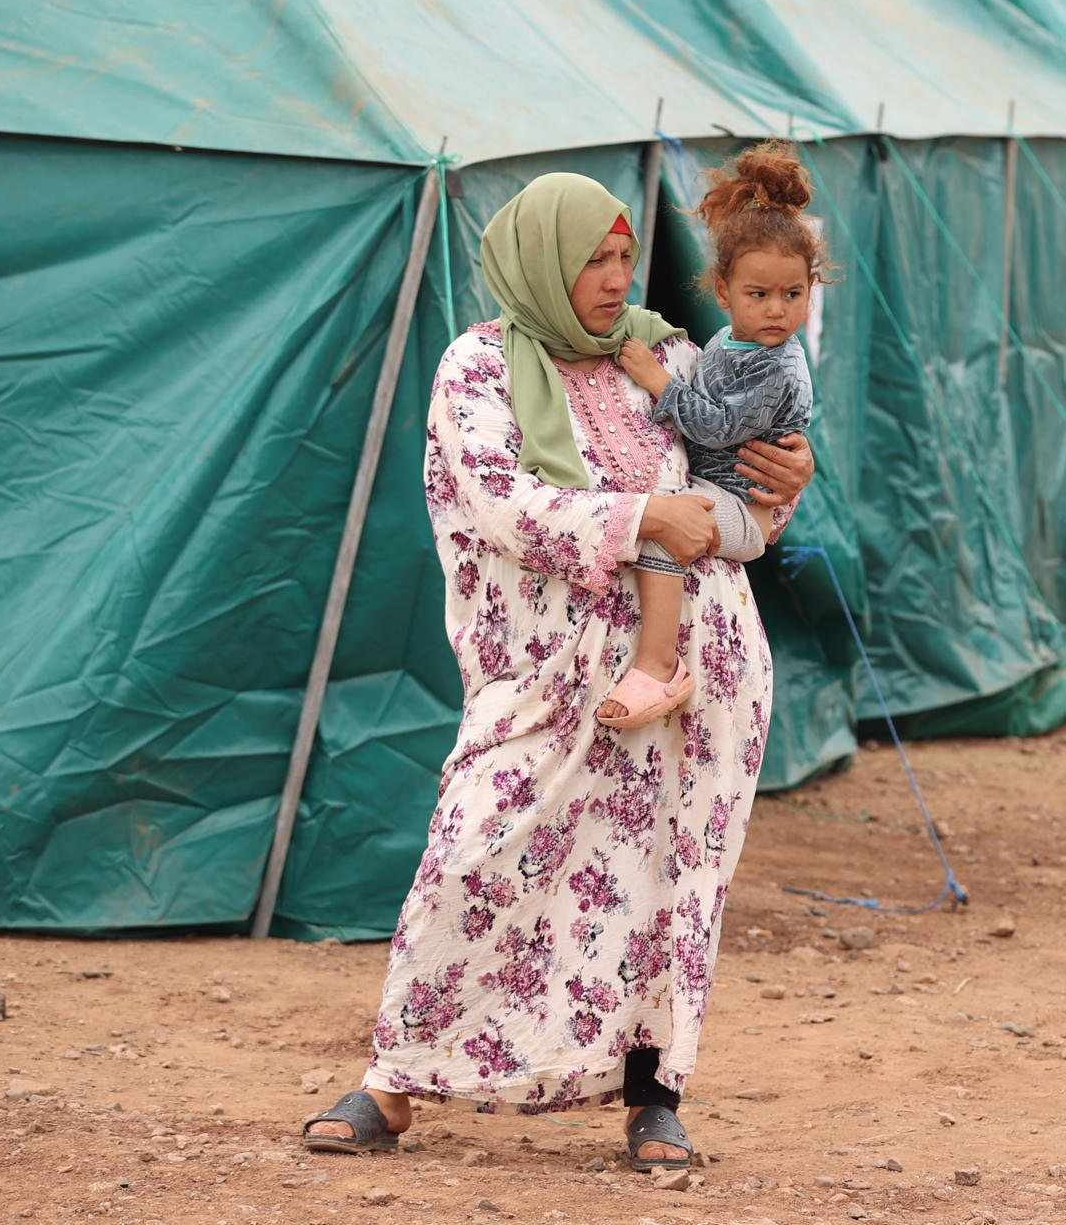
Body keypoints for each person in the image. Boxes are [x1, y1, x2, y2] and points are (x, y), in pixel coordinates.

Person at [299, 171, 814, 1170]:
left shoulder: (670, 353)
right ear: (542, 260)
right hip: (547, 672)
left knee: (672, 883)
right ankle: (393, 1079)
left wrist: (788, 474)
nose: (617, 277)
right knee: (476, 846)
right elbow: (501, 502)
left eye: (625, 256)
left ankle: (654, 1091)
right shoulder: (480, 366)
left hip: (696, 674)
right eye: (595, 259)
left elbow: (740, 480)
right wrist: (637, 520)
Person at [603, 142, 820, 730]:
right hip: (718, 486)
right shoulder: (730, 342)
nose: (777, 310)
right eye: (759, 294)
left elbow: (713, 425)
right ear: (723, 292)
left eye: (793, 295)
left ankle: (658, 663)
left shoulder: (778, 367)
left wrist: (656, 380)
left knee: (664, 532)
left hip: (745, 513)